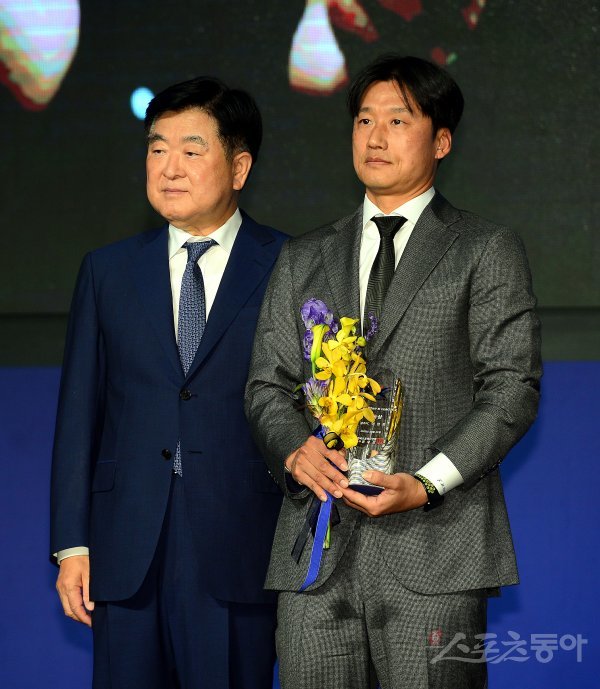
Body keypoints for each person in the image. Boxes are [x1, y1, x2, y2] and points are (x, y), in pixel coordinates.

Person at [245, 54, 541, 689]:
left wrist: (426, 483)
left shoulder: (483, 248)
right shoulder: (303, 257)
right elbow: (267, 384)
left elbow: (511, 388)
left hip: (436, 551)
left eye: (398, 120)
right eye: (363, 119)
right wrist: (295, 450)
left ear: (441, 141)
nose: (375, 136)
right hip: (316, 556)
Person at [50, 76, 287, 689]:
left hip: (240, 541)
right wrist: (72, 545)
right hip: (125, 545)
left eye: (191, 149)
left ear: (239, 167)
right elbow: (79, 416)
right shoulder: (107, 270)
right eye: (157, 149)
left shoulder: (290, 264)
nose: (169, 167)